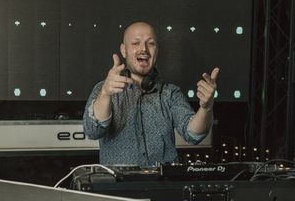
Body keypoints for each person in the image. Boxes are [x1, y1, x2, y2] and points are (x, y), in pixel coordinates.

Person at [83, 21, 219, 165]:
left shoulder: (170, 93)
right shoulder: (103, 89)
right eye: (136, 43)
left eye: (151, 43)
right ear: (124, 50)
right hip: (119, 186)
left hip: (163, 185)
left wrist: (206, 108)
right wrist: (105, 94)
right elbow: (93, 131)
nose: (144, 49)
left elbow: (193, 134)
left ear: (157, 51)